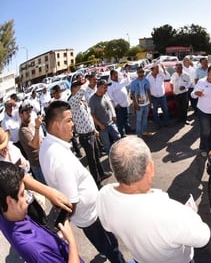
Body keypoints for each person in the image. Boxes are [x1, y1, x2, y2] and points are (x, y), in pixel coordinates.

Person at [96, 136, 211, 263]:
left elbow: (107, 226)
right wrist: (191, 214)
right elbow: (203, 237)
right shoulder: (170, 212)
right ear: (150, 168)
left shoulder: (103, 195)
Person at [39, 101, 126, 263]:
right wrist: (62, 224)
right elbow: (71, 202)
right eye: (69, 120)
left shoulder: (49, 144)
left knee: (105, 245)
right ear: (57, 125)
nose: (74, 124)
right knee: (112, 248)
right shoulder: (59, 158)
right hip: (91, 218)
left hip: (88, 216)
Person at [0, 161, 83, 263]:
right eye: (22, 194)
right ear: (10, 201)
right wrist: (71, 240)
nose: (27, 197)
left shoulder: (4, 209)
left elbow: (20, 179)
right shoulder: (36, 251)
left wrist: (49, 192)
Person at [68, 78, 111, 188]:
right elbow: (82, 91)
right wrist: (85, 83)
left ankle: (101, 174)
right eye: (78, 90)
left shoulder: (82, 102)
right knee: (91, 161)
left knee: (96, 156)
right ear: (73, 91)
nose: (80, 92)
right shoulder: (72, 101)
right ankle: (97, 182)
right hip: (85, 136)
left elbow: (88, 117)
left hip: (91, 133)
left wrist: (94, 130)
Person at [89, 79, 121, 155]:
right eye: (104, 87)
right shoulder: (92, 99)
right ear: (99, 87)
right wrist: (100, 125)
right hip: (102, 127)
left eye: (107, 87)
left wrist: (113, 115)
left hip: (111, 123)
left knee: (118, 138)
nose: (106, 89)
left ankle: (119, 155)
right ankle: (111, 160)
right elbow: (92, 114)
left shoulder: (105, 95)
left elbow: (109, 106)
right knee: (107, 145)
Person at [18, 101, 46, 184]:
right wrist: (37, 127)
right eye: (26, 112)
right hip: (38, 165)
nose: (29, 114)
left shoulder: (30, 124)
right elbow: (35, 145)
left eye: (29, 111)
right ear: (20, 114)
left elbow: (40, 139)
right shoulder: (23, 130)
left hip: (43, 160)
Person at [107, 69, 132, 137]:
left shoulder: (120, 81)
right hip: (118, 105)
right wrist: (116, 104)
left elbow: (128, 82)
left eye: (116, 74)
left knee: (126, 117)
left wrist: (125, 75)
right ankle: (122, 132)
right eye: (114, 74)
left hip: (125, 103)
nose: (116, 75)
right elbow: (110, 95)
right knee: (120, 120)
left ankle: (128, 129)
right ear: (111, 76)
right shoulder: (110, 85)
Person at [130, 66, 152, 137]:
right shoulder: (133, 82)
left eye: (142, 72)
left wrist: (150, 102)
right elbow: (132, 94)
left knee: (145, 119)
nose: (141, 73)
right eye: (140, 72)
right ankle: (139, 135)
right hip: (139, 105)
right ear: (137, 73)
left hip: (146, 104)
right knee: (139, 120)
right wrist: (135, 104)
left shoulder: (146, 81)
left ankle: (144, 132)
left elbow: (149, 91)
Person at [147, 64, 170, 129]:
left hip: (162, 96)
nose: (158, 69)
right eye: (156, 68)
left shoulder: (161, 74)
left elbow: (168, 77)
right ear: (152, 69)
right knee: (155, 112)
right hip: (154, 97)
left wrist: (164, 69)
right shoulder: (148, 77)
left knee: (165, 110)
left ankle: (167, 123)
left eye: (158, 68)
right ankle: (158, 124)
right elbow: (147, 88)